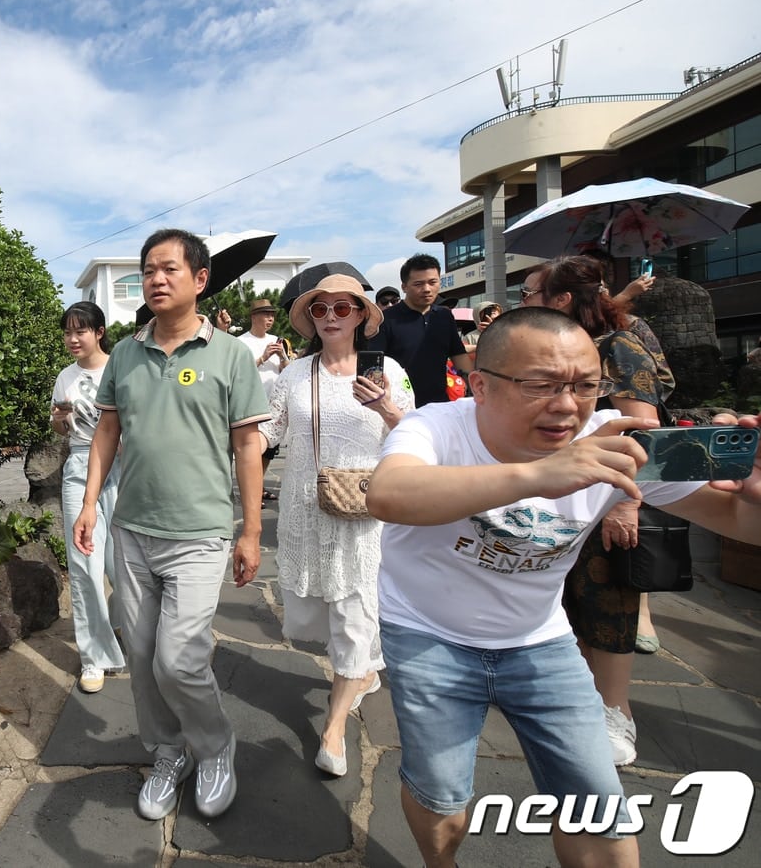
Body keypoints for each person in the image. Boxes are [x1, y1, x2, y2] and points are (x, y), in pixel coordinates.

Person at [366, 306, 761, 868]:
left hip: (541, 642)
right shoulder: (434, 425)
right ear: (480, 384)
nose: (567, 406)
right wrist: (541, 474)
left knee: (598, 809)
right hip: (428, 636)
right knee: (443, 801)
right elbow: (390, 494)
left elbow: (738, 522)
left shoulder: (611, 441)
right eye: (541, 385)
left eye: (585, 386)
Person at [73, 228, 269, 821]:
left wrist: (252, 531)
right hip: (133, 528)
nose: (156, 279)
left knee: (179, 659)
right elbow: (107, 431)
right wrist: (88, 503)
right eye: (148, 270)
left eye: (169, 269)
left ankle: (214, 748)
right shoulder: (127, 355)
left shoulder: (231, 355)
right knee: (140, 653)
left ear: (200, 280)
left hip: (200, 533)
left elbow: (247, 445)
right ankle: (166, 752)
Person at [520, 256, 673, 765]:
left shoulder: (618, 348)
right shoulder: (556, 352)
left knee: (608, 605)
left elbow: (642, 429)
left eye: (531, 293)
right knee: (565, 607)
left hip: (606, 499)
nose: (525, 303)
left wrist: (626, 504)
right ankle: (577, 704)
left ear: (562, 300)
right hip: (556, 498)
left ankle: (615, 711)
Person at [259, 274, 412, 777]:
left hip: (364, 509)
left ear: (362, 316)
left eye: (342, 308)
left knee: (354, 605)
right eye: (321, 308)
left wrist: (385, 406)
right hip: (306, 504)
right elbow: (268, 430)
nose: (330, 316)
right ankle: (363, 666)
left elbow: (414, 433)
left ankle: (333, 724)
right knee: (312, 611)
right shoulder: (295, 375)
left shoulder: (388, 370)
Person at [51, 301, 125, 694]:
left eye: (80, 331)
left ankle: (114, 623)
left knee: (124, 564)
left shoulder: (120, 367)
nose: (72, 339)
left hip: (123, 471)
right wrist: (60, 421)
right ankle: (93, 656)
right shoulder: (64, 376)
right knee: (84, 566)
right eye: (67, 332)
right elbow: (59, 427)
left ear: (99, 331)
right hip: (80, 470)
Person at [368, 255, 471, 407]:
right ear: (404, 286)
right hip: (400, 406)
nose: (427, 289)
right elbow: (374, 364)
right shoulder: (386, 320)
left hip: (440, 404)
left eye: (432, 282)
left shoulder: (444, 316)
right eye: (418, 284)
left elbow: (458, 355)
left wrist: (474, 385)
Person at [236, 297, 291, 499]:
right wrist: (263, 358)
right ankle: (250, 492)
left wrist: (282, 357)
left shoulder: (277, 340)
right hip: (251, 404)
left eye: (272, 315)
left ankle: (257, 488)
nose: (270, 319)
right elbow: (238, 372)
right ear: (253, 316)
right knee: (252, 450)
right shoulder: (241, 342)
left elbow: (287, 370)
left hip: (274, 404)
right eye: (265, 314)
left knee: (269, 451)